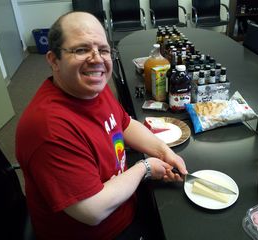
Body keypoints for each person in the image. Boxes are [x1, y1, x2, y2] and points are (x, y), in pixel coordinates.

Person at [16, 11, 187, 240]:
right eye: (81, 49)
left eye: (103, 50)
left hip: (124, 201)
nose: (96, 59)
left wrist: (164, 151)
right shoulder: (48, 128)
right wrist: (144, 168)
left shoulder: (91, 88)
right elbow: (92, 211)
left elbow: (125, 124)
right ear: (54, 60)